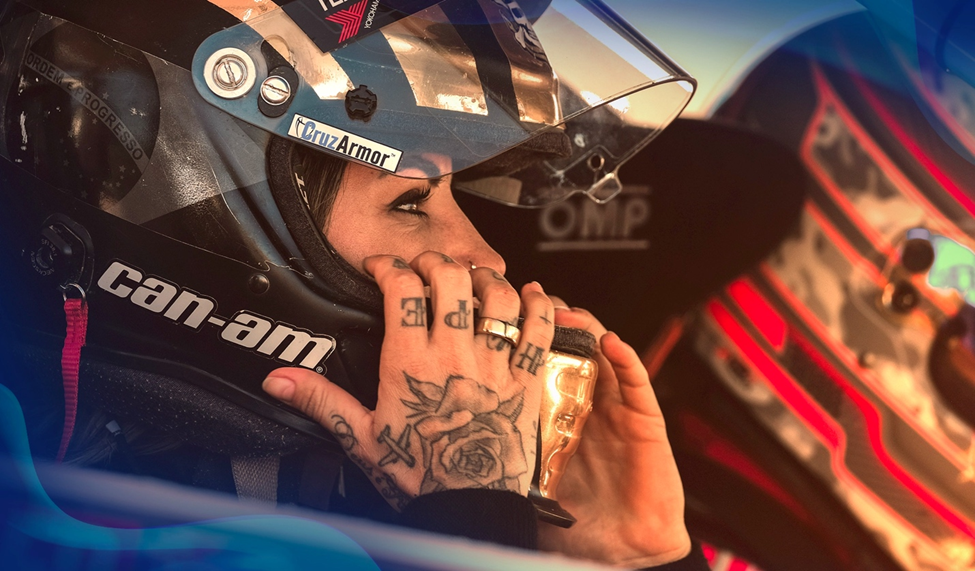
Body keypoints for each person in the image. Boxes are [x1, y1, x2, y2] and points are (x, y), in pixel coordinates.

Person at [0, 0, 707, 568]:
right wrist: (466, 527)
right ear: (205, 203)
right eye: (410, 200)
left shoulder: (307, 468)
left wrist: (633, 558)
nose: (485, 257)